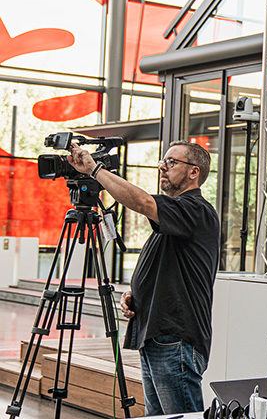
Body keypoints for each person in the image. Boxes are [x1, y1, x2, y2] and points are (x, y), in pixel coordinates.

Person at [67, 140, 220, 415]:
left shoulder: (195, 209)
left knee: (181, 417)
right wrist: (136, 295)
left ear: (194, 172)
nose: (162, 166)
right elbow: (167, 270)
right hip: (159, 337)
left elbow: (142, 201)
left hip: (175, 338)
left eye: (172, 162)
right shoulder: (176, 218)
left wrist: (95, 170)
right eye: (163, 160)